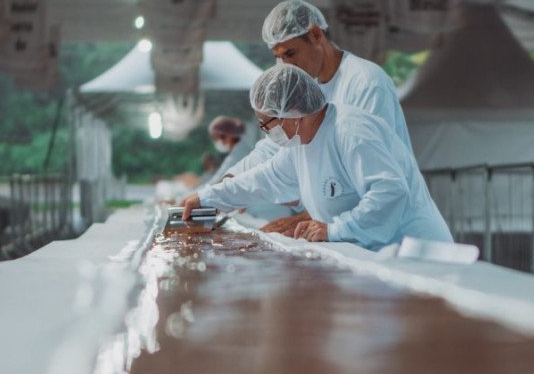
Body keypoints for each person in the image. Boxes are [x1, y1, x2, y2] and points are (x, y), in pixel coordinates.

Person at [181, 64, 451, 251]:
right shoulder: (302, 144)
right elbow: (265, 179)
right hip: (378, 256)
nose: (267, 132)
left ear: (292, 113)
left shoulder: (350, 131)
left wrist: (334, 230)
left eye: (268, 123)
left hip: (415, 254)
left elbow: (390, 192)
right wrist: (208, 198)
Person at [225, 0, 412, 235]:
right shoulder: (306, 88)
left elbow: (374, 178)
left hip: (385, 230)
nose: (286, 64)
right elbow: (275, 146)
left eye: (290, 53)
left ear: (315, 35)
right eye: (279, 57)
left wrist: (308, 217)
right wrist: (231, 180)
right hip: (343, 226)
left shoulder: (366, 82)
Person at [201, 115, 254, 185]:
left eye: (216, 138)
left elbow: (217, 180)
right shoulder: (242, 147)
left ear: (228, 136)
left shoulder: (237, 155)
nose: (217, 142)